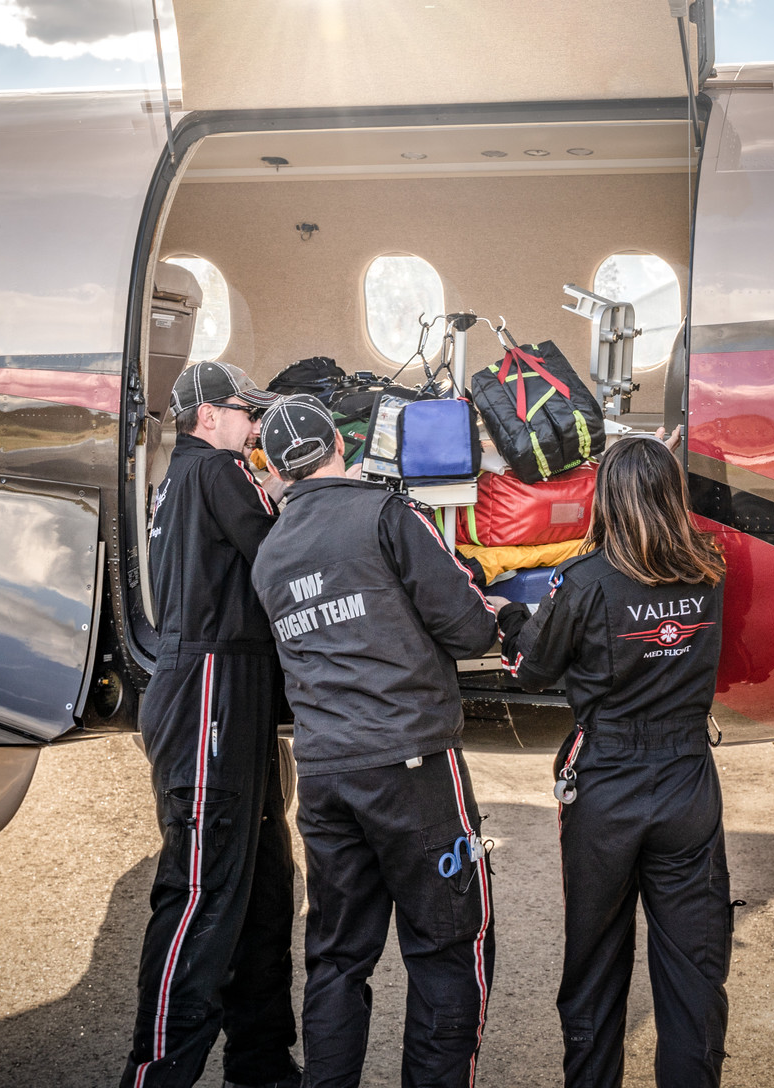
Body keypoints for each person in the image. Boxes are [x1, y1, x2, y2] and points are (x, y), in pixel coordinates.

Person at [247, 395, 503, 1088]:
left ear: (273, 469)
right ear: (342, 445)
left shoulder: (268, 557)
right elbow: (470, 627)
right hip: (411, 765)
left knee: (336, 957)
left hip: (327, 772)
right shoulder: (387, 514)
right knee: (449, 945)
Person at [498, 434, 732, 1088]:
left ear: (605, 498)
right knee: (693, 973)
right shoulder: (709, 570)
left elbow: (532, 672)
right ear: (670, 496)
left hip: (606, 783)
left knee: (596, 969)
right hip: (687, 780)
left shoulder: (583, 581)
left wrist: (512, 617)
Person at [121, 359, 301, 1088]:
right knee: (200, 890)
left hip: (227, 690)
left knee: (261, 883)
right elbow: (280, 557)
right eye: (243, 411)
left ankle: (260, 1063)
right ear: (206, 417)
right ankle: (156, 1072)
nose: (254, 425)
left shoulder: (187, 479)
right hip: (212, 692)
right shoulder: (216, 471)